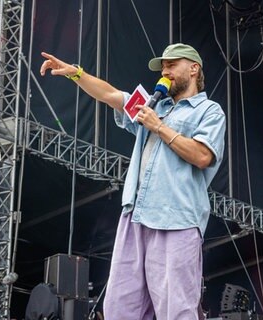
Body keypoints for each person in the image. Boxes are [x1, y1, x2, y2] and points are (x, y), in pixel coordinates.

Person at [40, 43, 226, 320]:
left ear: (193, 68)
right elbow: (112, 95)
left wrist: (159, 127)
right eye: (163, 67)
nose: (165, 72)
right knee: (121, 307)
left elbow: (202, 156)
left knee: (176, 308)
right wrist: (75, 74)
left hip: (176, 217)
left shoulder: (209, 111)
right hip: (135, 216)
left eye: (171, 65)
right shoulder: (154, 105)